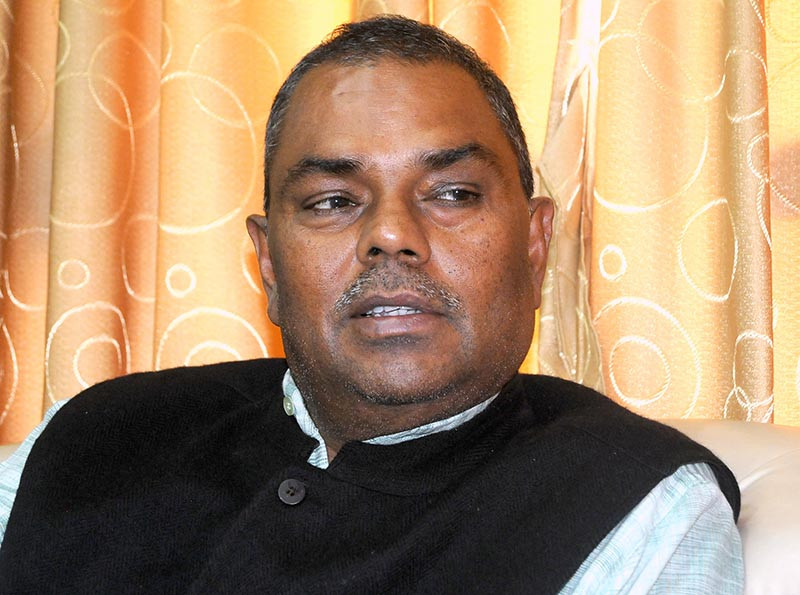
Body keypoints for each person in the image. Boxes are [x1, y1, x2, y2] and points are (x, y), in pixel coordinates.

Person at [0, 15, 742, 593]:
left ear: (535, 242)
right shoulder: (93, 439)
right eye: (332, 201)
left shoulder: (634, 508)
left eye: (453, 193)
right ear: (268, 262)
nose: (391, 235)